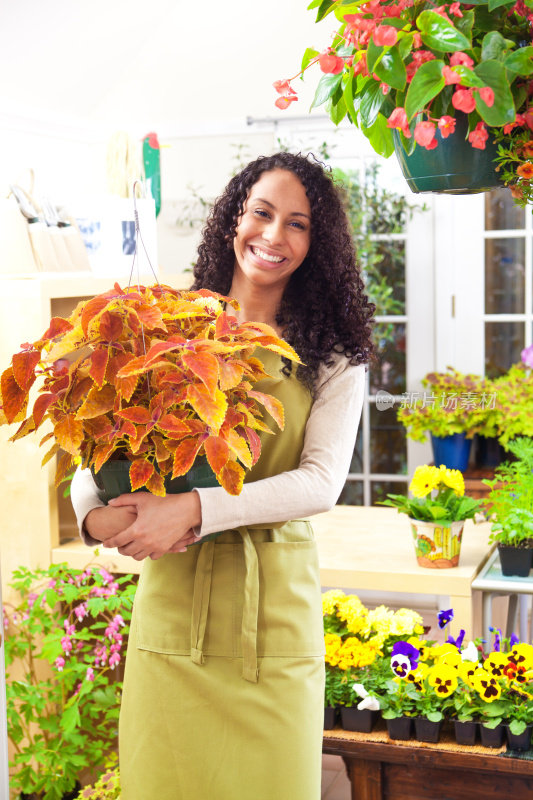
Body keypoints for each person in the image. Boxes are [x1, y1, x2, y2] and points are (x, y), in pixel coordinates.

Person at [70, 151, 374, 799]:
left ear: (316, 246)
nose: (272, 235)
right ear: (234, 216)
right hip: (175, 606)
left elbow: (320, 482)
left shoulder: (333, 356)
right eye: (261, 213)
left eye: (297, 224)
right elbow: (92, 445)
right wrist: (94, 518)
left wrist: (195, 509)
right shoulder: (167, 327)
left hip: (272, 618)